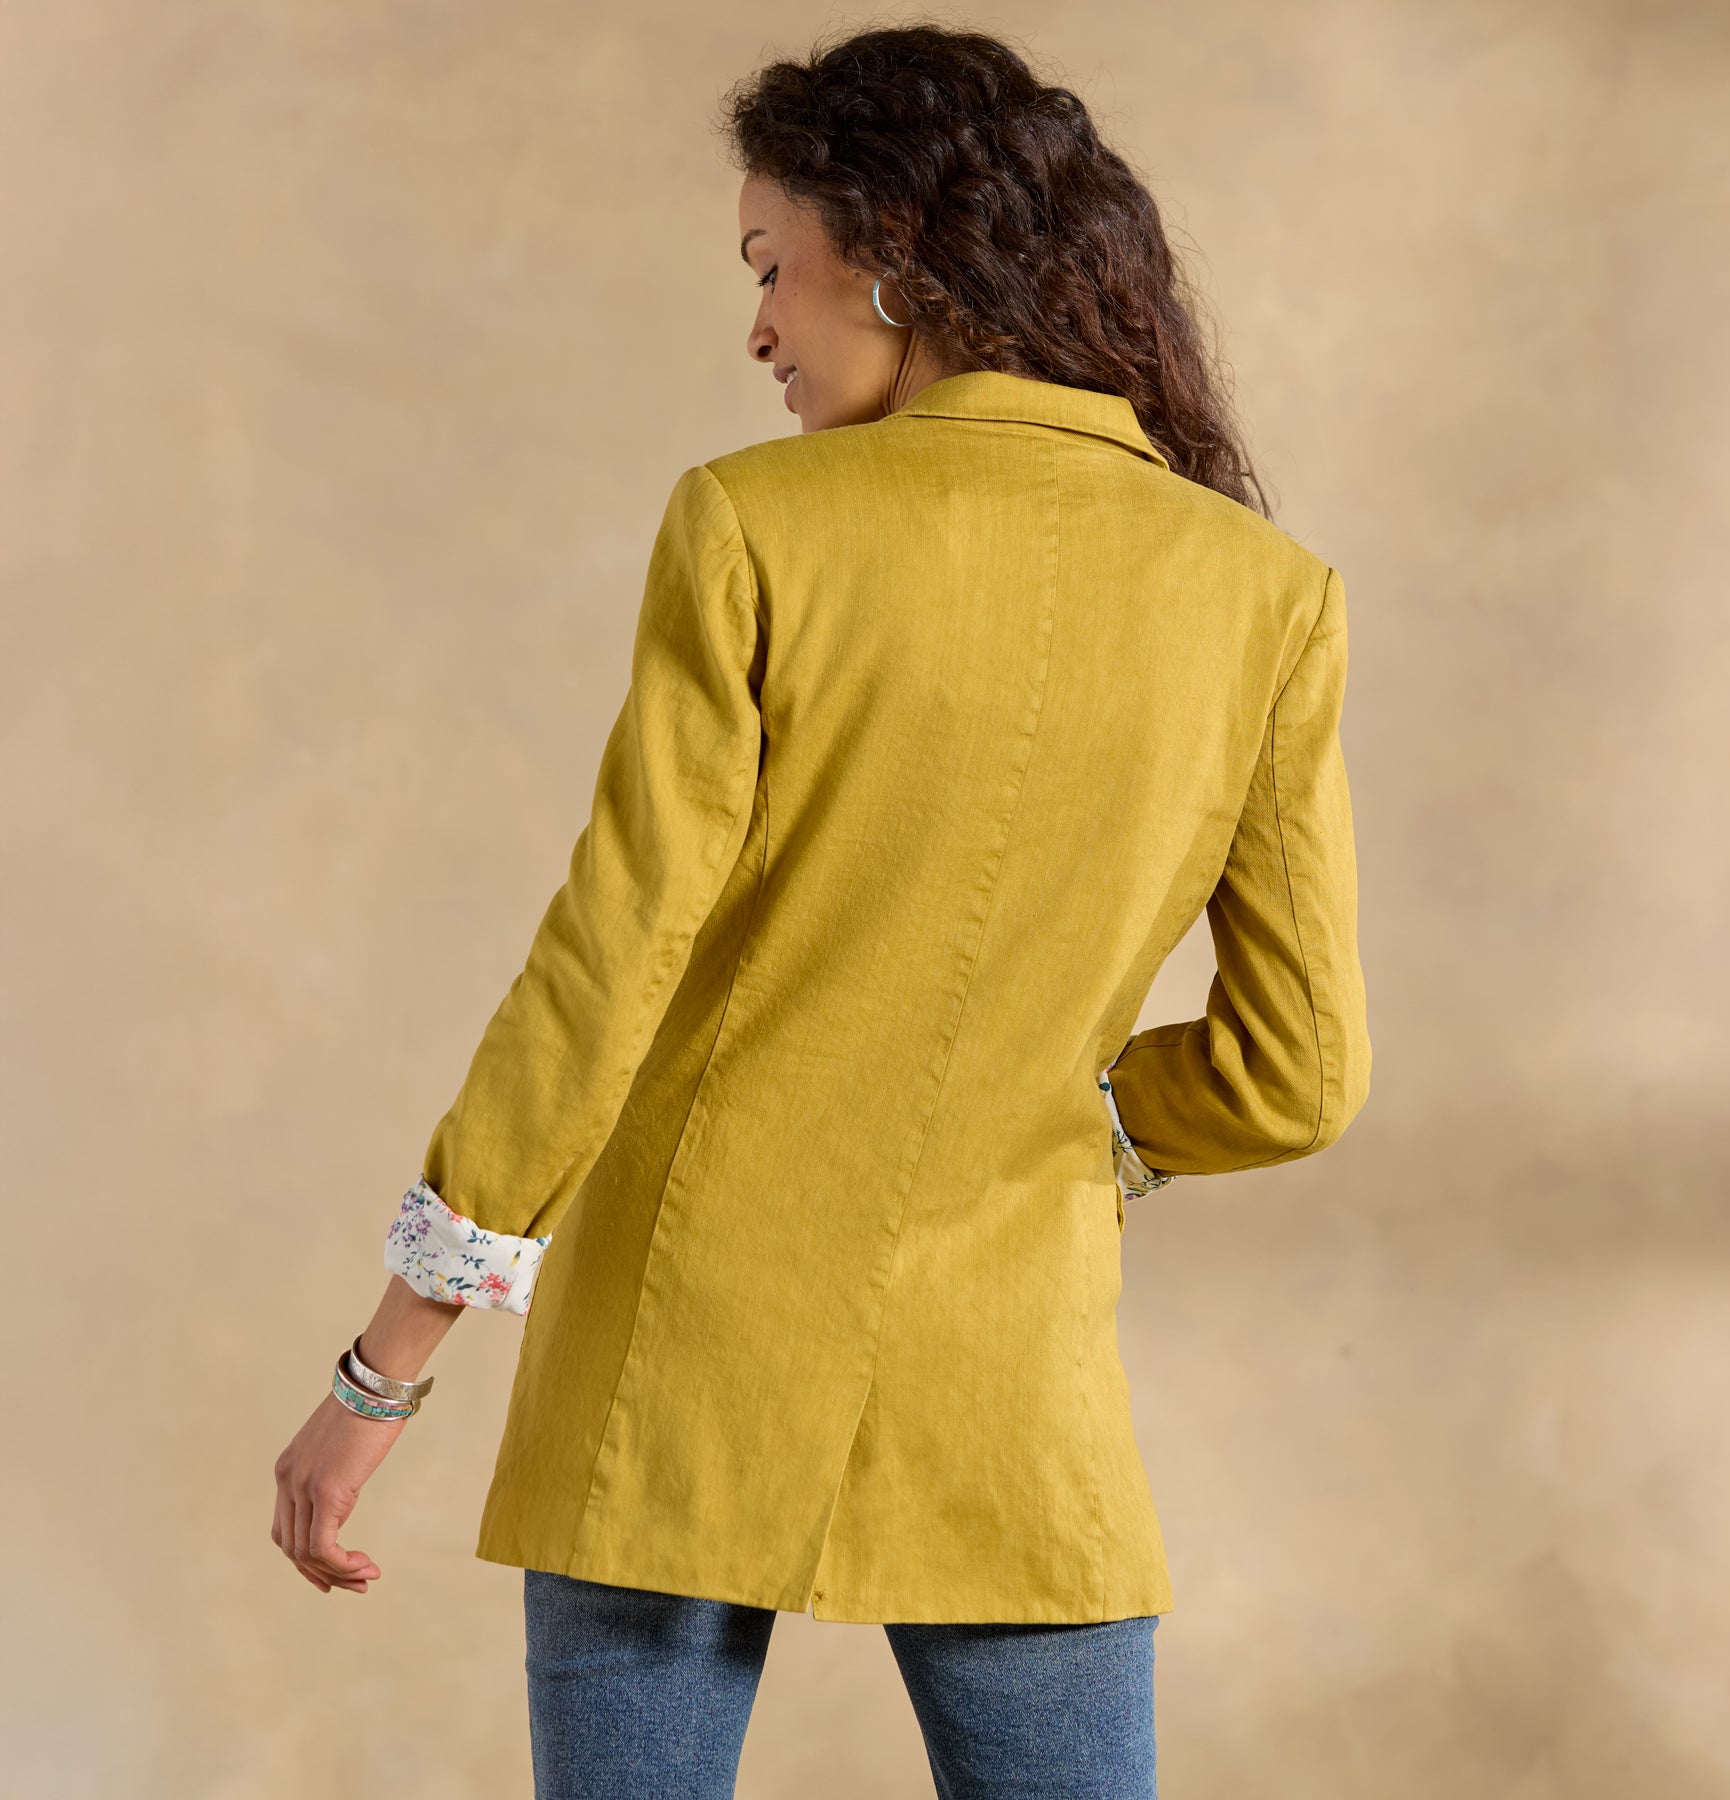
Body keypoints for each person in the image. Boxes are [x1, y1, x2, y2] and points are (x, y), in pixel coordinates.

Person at [271, 22, 1371, 1798]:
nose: (760, 326)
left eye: (769, 265)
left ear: (894, 248)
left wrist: (380, 1375)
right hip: (1015, 1378)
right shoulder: (1271, 596)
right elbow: (1295, 1075)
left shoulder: (752, 526)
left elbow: (604, 970)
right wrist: (1078, 1113)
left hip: (673, 1362)